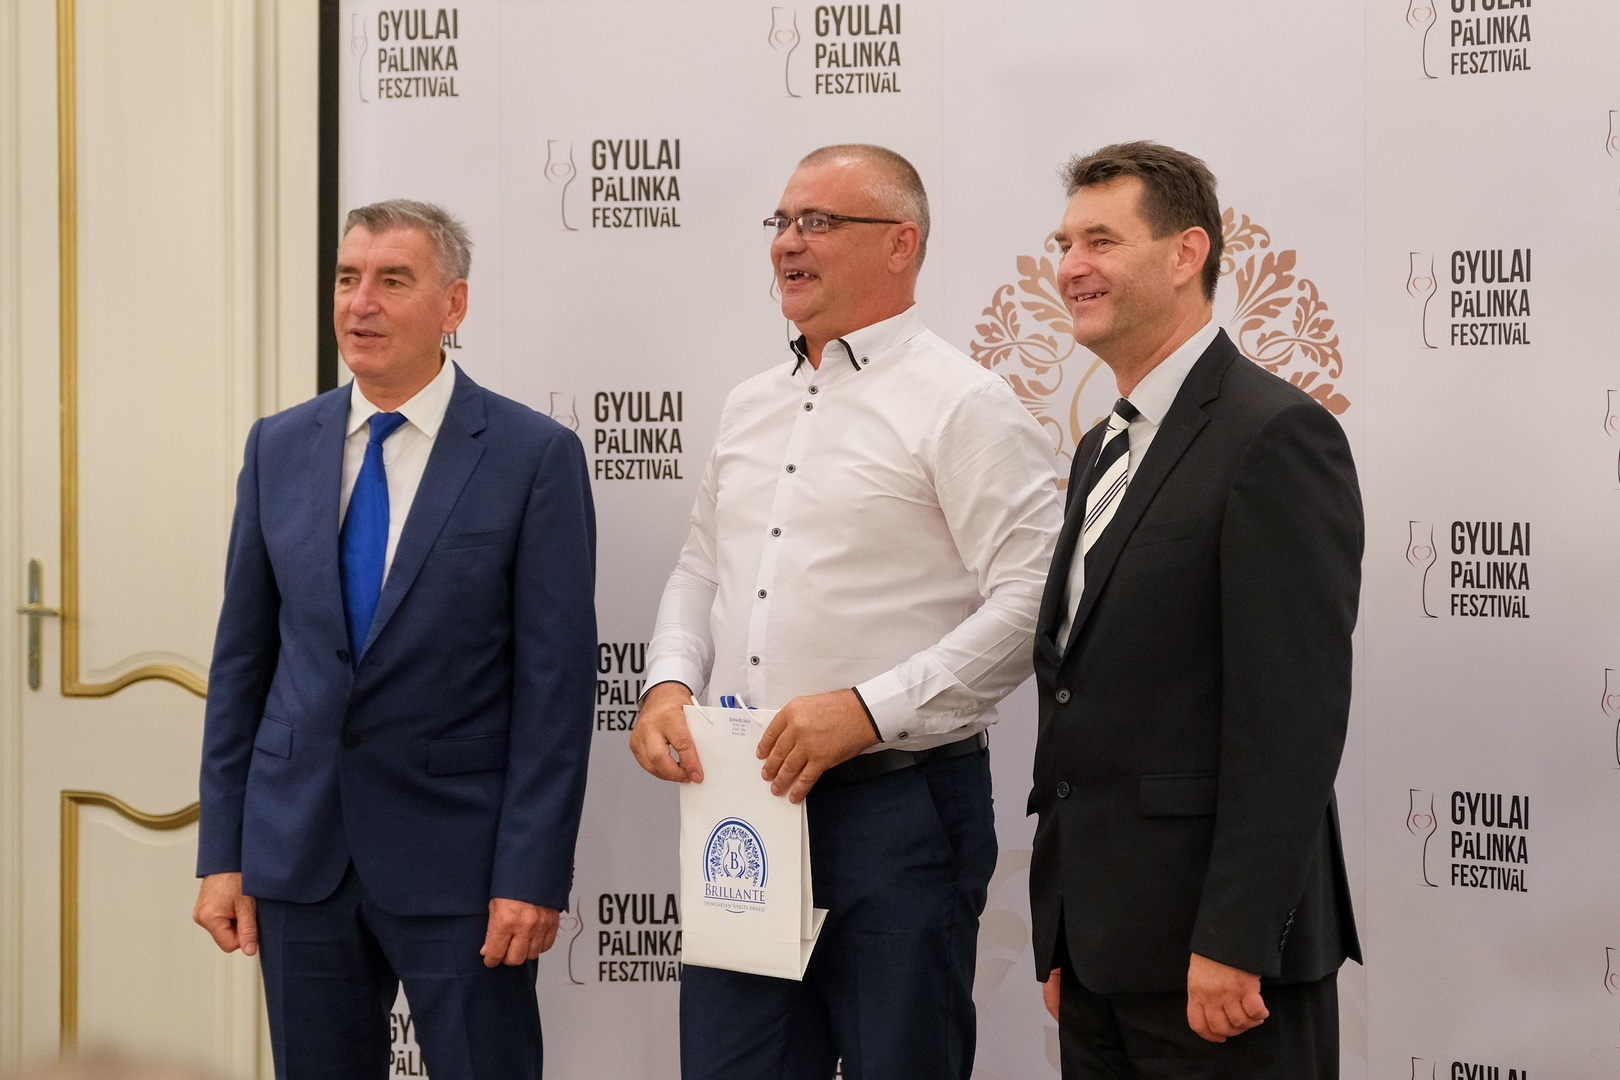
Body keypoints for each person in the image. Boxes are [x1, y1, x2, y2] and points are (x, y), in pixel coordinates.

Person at [629, 144, 1061, 1080]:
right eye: (782, 222)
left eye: (818, 222)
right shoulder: (749, 405)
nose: (788, 242)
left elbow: (1035, 600)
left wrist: (868, 710)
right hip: (744, 808)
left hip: (899, 808)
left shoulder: (965, 403)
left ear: (900, 243)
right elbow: (701, 567)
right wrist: (667, 683)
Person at [192, 200, 596, 1080]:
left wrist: (530, 873)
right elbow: (243, 664)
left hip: (463, 866)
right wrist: (223, 853)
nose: (360, 302)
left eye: (392, 280)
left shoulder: (532, 456)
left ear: (454, 304)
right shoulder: (277, 447)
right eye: (347, 279)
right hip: (299, 855)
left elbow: (557, 689)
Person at [1027, 141, 1363, 1079]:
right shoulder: (1099, 448)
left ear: (1186, 254)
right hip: (1100, 957)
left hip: (1217, 970)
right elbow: (1081, 693)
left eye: (1101, 240)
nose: (1071, 266)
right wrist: (1063, 928)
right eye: (1064, 244)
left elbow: (1292, 721)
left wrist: (1235, 938)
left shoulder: (1276, 435)